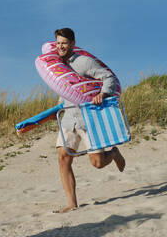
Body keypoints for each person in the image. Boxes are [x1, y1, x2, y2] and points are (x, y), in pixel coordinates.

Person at [54, 27, 126, 213]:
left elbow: (108, 78)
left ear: (72, 44)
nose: (60, 47)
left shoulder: (84, 62)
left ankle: (114, 153)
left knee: (98, 163)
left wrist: (103, 93)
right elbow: (64, 93)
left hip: (88, 117)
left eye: (64, 43)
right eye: (58, 43)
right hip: (69, 118)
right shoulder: (58, 68)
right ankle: (72, 204)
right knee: (63, 158)